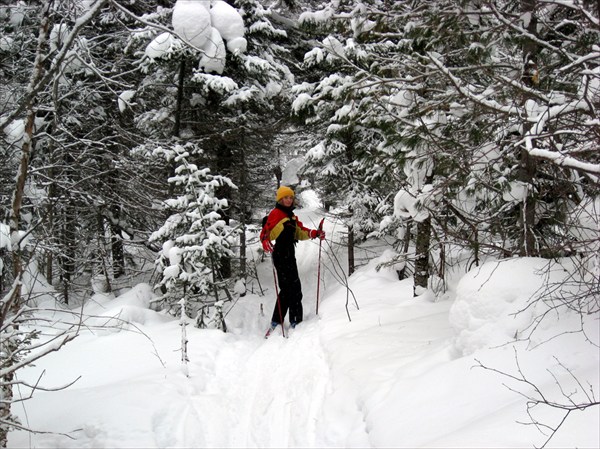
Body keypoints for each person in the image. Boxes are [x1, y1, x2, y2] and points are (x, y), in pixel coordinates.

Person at [260, 186, 325, 334]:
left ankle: (281, 320)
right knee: (291, 290)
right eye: (286, 197)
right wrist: (265, 240)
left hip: (289, 255)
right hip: (280, 255)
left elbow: (300, 232)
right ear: (280, 199)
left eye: (290, 197)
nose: (289, 200)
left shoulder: (291, 216)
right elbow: (266, 234)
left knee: (290, 290)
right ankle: (291, 320)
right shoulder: (276, 214)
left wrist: (315, 233)